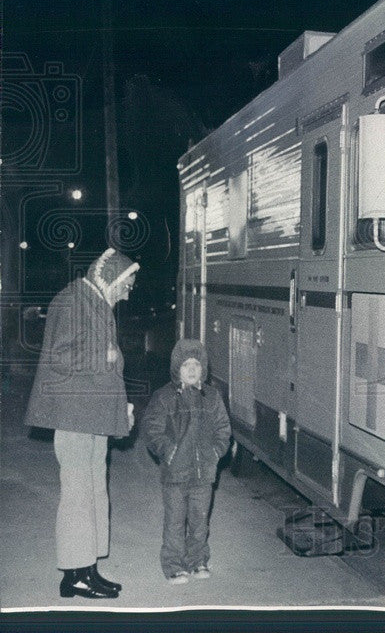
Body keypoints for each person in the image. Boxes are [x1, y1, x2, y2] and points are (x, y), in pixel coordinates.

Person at [24, 248, 139, 600]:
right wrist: (102, 356)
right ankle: (73, 575)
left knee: (92, 489)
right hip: (73, 414)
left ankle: (87, 568)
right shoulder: (72, 300)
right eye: (128, 283)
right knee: (77, 493)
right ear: (114, 277)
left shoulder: (95, 300)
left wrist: (121, 411)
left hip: (92, 413)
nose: (130, 291)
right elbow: (58, 354)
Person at [140, 339, 231, 584]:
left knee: (200, 520)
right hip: (175, 474)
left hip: (204, 473)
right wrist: (168, 451)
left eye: (197, 365)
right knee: (175, 522)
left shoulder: (212, 397)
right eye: (186, 365)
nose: (192, 369)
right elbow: (152, 429)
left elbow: (223, 428)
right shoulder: (164, 397)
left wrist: (215, 451)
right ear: (176, 369)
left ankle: (198, 559)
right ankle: (173, 564)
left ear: (204, 369)